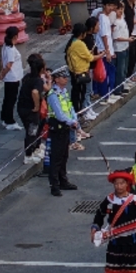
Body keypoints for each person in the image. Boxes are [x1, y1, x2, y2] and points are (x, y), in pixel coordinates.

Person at [45, 67, 83, 195]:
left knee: (64, 156)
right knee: (56, 157)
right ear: (56, 79)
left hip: (66, 127)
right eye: (63, 77)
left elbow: (70, 108)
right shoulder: (53, 95)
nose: (66, 79)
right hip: (58, 128)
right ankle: (54, 185)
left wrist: (75, 120)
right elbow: (59, 114)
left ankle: (63, 181)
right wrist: (71, 121)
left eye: (66, 77)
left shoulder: (64, 92)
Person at [18, 54, 46, 164]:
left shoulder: (27, 77)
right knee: (32, 132)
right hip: (30, 110)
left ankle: (34, 149)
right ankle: (28, 155)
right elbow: (35, 92)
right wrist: (36, 106)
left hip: (22, 107)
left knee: (32, 130)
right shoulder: (37, 81)